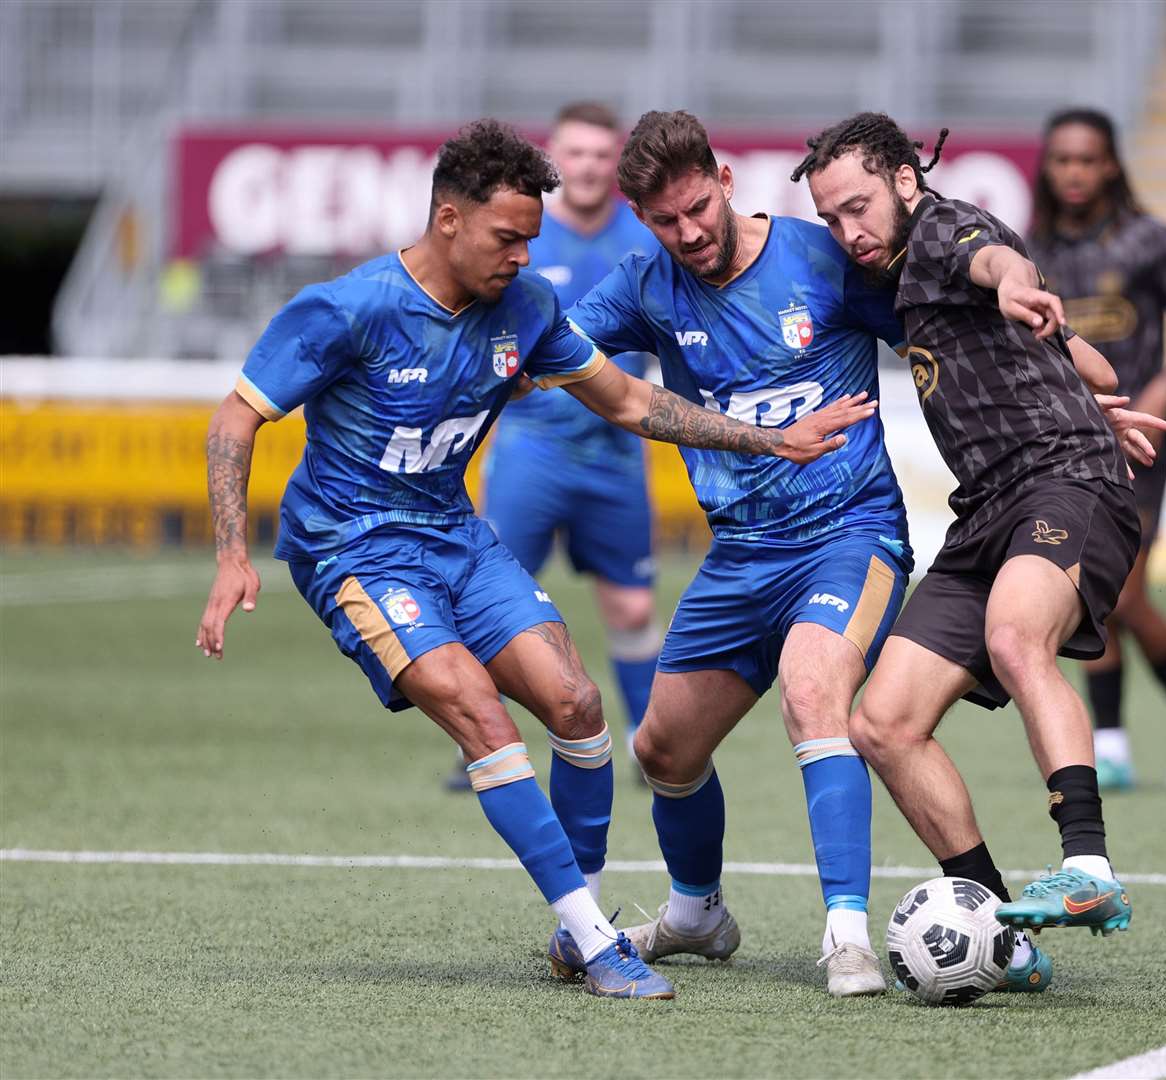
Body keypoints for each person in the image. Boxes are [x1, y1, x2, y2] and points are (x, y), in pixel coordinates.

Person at [192, 118, 875, 1002]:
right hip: (356, 551)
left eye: (531, 240)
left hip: (454, 536)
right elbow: (235, 418)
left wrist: (769, 440)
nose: (523, 257)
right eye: (507, 238)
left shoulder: (526, 311)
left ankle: (576, 910)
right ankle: (598, 943)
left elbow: (629, 400)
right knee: (480, 713)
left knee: (579, 704)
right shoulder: (346, 309)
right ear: (448, 218)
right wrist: (230, 555)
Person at [564, 109, 1005, 998]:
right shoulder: (646, 285)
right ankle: (697, 914)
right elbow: (555, 352)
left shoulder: (820, 258)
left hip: (851, 534)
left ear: (724, 181)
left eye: (696, 208)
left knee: (814, 696)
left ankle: (846, 933)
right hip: (739, 557)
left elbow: (939, 337)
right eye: (664, 221)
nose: (686, 233)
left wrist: (1060, 389)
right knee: (664, 751)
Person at [796, 112, 1166, 948]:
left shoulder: (938, 230)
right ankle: (994, 921)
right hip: (987, 511)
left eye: (857, 205)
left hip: (1064, 483)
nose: (847, 231)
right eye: (830, 218)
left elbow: (993, 257)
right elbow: (1094, 366)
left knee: (1013, 636)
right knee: (881, 724)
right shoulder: (894, 273)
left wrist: (1008, 279)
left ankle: (1090, 869)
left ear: (902, 178)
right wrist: (1070, 367)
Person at [1030, 107, 1166, 794]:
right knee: (1092, 597)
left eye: (1088, 159)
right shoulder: (1032, 255)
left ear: (1110, 164)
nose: (1075, 172)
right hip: (1069, 446)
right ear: (1048, 168)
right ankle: (1111, 745)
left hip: (1140, 441)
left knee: (1123, 594)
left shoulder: (1152, 241)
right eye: (1063, 160)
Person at [473, 102, 663, 786]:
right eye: (575, 154)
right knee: (492, 598)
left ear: (618, 163)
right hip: (531, 451)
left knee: (633, 605)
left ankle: (648, 743)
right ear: (554, 159)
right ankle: (486, 743)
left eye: (600, 154)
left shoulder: (645, 242)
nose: (587, 166)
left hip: (614, 452)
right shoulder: (522, 239)